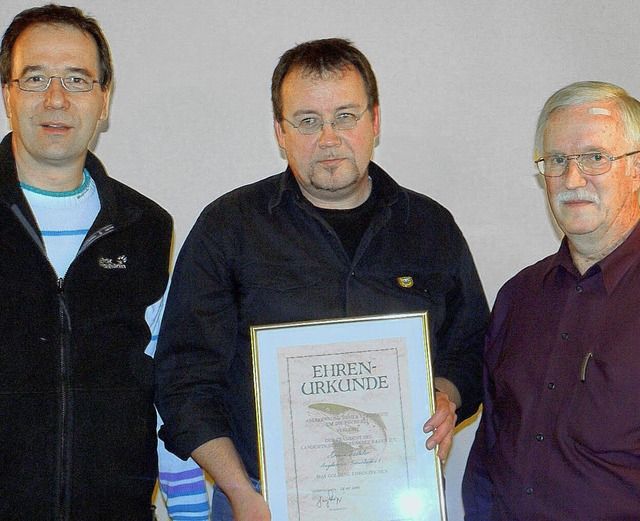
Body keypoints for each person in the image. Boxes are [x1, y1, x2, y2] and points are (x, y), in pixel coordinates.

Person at [156, 37, 489, 521]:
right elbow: (183, 379)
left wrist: (445, 395)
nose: (328, 138)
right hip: (259, 500)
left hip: (398, 495)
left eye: (345, 116)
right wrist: (239, 494)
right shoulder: (228, 228)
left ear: (375, 121)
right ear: (280, 131)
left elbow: (471, 346)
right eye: (308, 121)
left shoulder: (430, 227)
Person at [0, 5, 207, 520]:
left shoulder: (147, 228)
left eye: (76, 78)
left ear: (104, 100)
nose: (56, 98)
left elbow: (165, 394)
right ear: (7, 93)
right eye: (34, 78)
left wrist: (191, 513)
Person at [462, 81, 640, 520]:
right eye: (557, 160)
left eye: (595, 158)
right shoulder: (518, 297)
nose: (572, 178)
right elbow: (491, 448)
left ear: (636, 168)